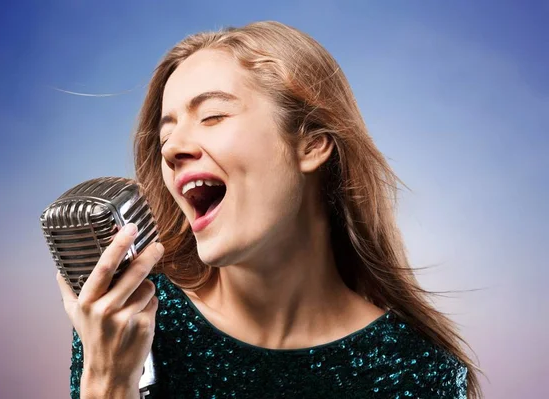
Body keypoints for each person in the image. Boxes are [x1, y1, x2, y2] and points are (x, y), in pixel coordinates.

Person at [57, 21, 482, 398]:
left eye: (212, 116)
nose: (171, 150)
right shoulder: (130, 323)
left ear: (312, 143)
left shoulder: (421, 374)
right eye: (165, 135)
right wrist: (108, 384)